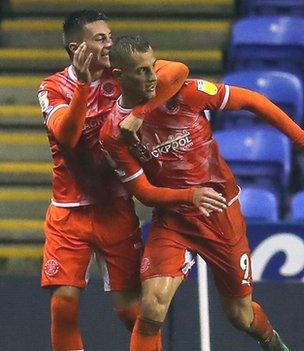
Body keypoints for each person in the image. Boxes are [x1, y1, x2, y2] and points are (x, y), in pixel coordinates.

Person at [99, 35, 304, 351]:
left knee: (240, 316)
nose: (151, 77)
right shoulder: (111, 134)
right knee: (152, 306)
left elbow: (253, 101)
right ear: (118, 77)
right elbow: (144, 192)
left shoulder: (183, 93)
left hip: (221, 213)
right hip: (173, 218)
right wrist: (190, 196)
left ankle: (273, 343)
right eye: (141, 72)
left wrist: (303, 141)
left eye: (152, 68)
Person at [38, 10, 188, 351]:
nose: (110, 44)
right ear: (77, 47)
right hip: (68, 211)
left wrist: (139, 114)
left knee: (130, 309)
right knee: (64, 303)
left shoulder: (122, 73)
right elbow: (68, 136)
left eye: (110, 36)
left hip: (116, 206)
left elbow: (178, 71)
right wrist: (81, 83)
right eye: (101, 38)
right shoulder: (51, 87)